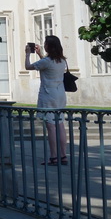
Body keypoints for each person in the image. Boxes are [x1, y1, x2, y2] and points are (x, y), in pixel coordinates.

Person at [25, 35, 69, 165]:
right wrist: (40, 54)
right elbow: (46, 65)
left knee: (51, 126)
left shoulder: (47, 61)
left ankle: (54, 157)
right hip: (60, 94)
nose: (44, 45)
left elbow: (28, 67)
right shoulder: (62, 60)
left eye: (45, 44)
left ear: (49, 46)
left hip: (48, 94)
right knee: (60, 124)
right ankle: (63, 155)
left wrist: (27, 54)